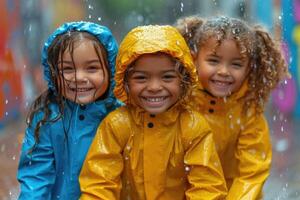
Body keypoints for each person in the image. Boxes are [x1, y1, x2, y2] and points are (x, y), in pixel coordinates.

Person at [79, 25, 228, 200]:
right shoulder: (117, 125)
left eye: (167, 77)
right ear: (125, 82)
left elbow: (207, 188)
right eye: (141, 78)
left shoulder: (193, 127)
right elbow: (100, 185)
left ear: (184, 80)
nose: (154, 87)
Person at [175, 16, 289, 199]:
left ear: (250, 68)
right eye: (213, 61)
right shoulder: (180, 101)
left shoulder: (248, 113)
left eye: (236, 64)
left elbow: (251, 173)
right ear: (194, 59)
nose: (223, 71)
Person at [17, 21, 122, 199]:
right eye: (67, 69)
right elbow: (36, 176)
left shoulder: (122, 117)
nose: (79, 77)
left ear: (111, 70)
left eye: (92, 68)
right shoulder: (48, 118)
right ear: (53, 73)